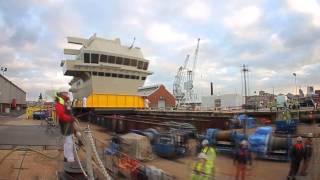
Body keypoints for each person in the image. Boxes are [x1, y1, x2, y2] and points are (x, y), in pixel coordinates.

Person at [55, 92, 75, 162]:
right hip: (65, 124)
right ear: (61, 94)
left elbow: (68, 110)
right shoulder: (60, 102)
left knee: (67, 141)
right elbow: (61, 115)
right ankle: (70, 158)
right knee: (69, 141)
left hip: (68, 123)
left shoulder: (66, 101)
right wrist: (70, 118)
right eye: (65, 93)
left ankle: (66, 156)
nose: (67, 94)